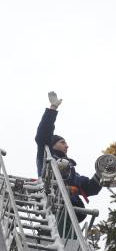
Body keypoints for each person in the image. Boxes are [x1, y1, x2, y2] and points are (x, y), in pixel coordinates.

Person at [35, 91, 102, 222]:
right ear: (52, 144)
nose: (67, 146)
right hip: (52, 204)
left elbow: (89, 187)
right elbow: (43, 133)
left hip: (73, 211)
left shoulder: (73, 173)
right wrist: (52, 109)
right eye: (62, 142)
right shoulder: (46, 155)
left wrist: (102, 172)